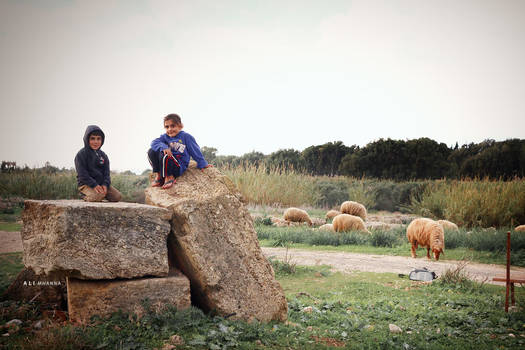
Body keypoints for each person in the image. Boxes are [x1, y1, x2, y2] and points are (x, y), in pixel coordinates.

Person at [148, 113, 212, 189]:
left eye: (173, 126)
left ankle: (169, 177)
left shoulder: (186, 137)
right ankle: (159, 175)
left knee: (166, 156)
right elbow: (154, 143)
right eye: (167, 127)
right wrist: (163, 147)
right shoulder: (165, 137)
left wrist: (203, 164)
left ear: (180, 126)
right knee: (151, 151)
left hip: (178, 166)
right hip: (166, 165)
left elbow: (195, 151)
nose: (169, 129)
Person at [74, 125, 122, 202]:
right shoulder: (81, 154)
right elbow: (82, 174)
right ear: (87, 139)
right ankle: (84, 195)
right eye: (92, 139)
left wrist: (105, 185)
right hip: (86, 184)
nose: (96, 142)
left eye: (98, 139)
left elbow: (107, 174)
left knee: (117, 196)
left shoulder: (103, 156)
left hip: (101, 184)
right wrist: (94, 185)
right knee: (97, 196)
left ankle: (101, 194)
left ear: (102, 140)